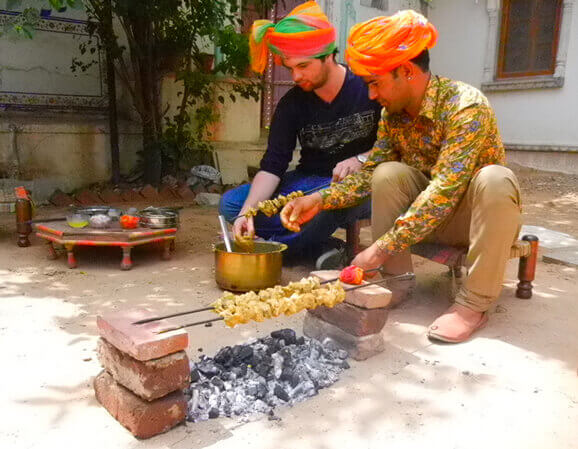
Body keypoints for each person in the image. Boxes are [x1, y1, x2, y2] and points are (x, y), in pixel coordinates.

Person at [280, 10, 522, 343]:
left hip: (477, 222)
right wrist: (319, 199)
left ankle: (472, 305)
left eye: (375, 83)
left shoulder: (466, 107)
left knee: (496, 179)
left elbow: (443, 191)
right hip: (430, 219)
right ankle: (396, 281)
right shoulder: (393, 117)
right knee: (386, 173)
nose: (370, 95)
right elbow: (367, 178)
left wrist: (377, 251)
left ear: (406, 71)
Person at [219, 1, 382, 265]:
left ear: (328, 55)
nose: (295, 76)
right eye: (290, 67)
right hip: (306, 181)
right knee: (231, 205)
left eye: (303, 66)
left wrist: (361, 159)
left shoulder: (368, 89)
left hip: (360, 186)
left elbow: (398, 145)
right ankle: (321, 248)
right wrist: (247, 213)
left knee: (326, 205)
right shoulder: (291, 104)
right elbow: (273, 166)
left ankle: (277, 251)